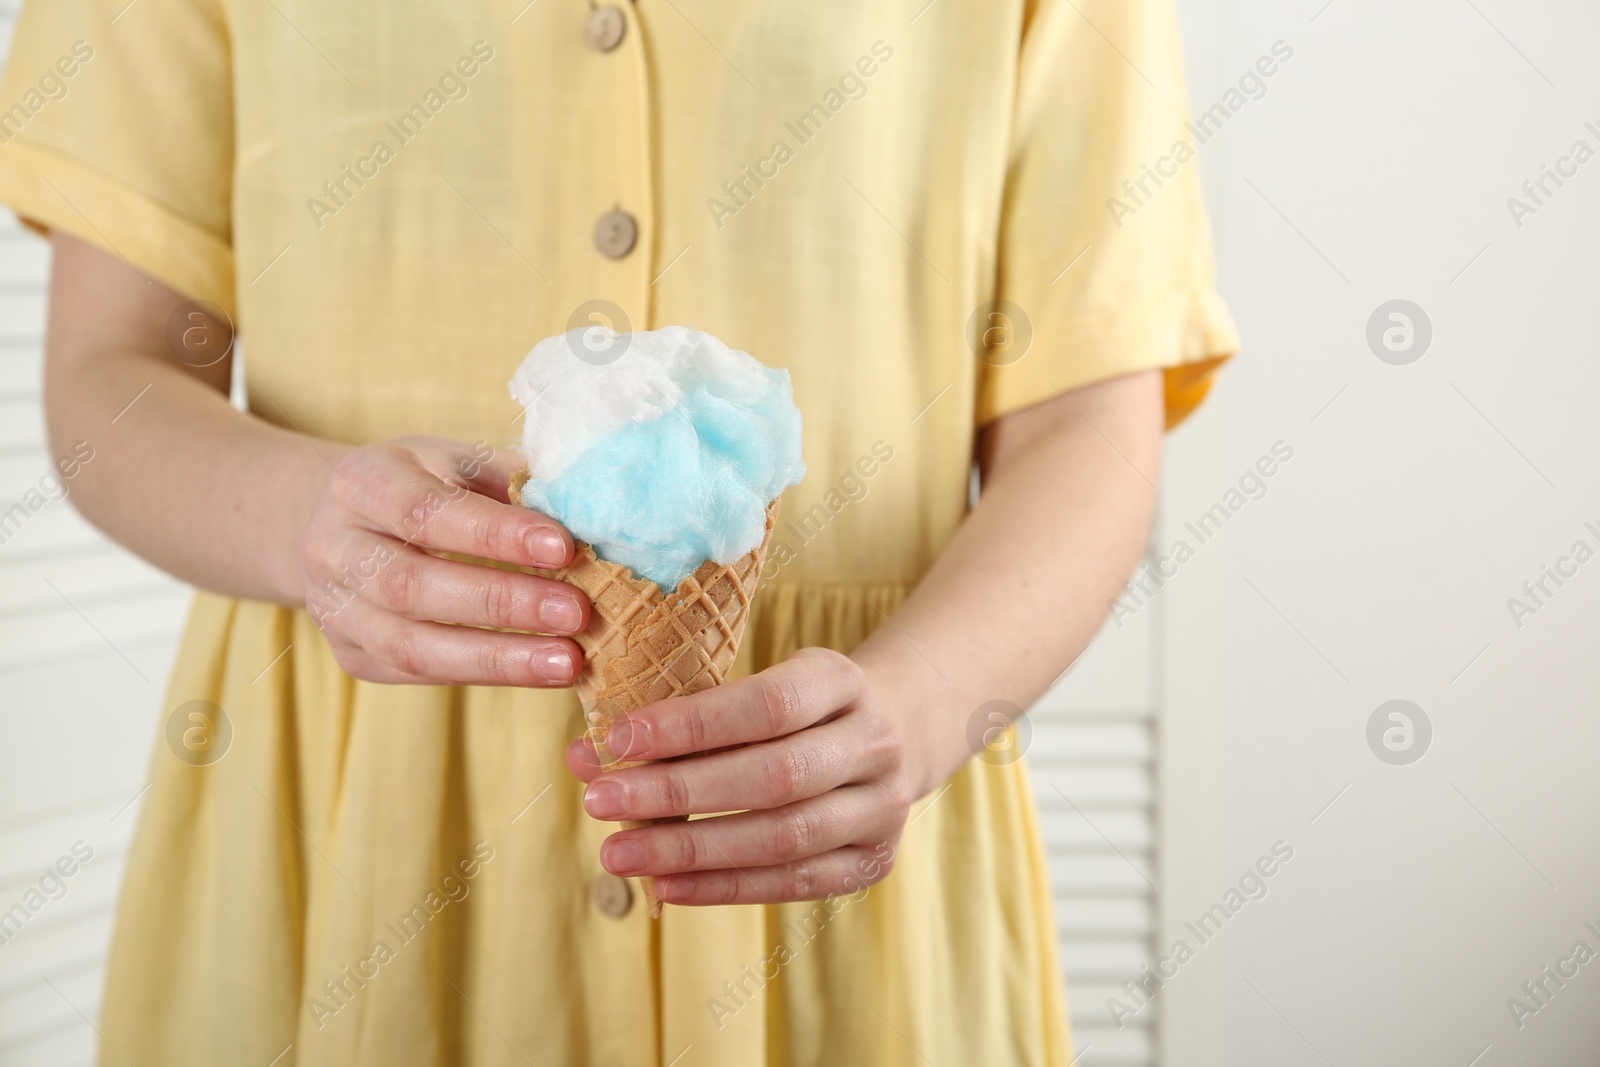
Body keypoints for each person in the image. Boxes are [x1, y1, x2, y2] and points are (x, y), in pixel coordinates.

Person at [0, 0, 1235, 1063]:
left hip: (852, 839)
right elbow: (112, 370)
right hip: (335, 863)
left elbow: (1085, 423)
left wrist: (914, 710)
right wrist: (307, 521)